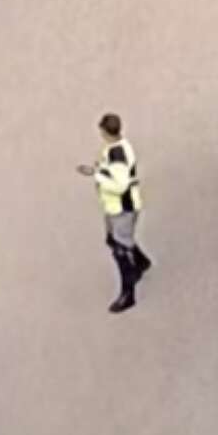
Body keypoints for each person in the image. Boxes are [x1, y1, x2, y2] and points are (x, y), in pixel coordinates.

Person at [77, 113, 152, 313]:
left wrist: (98, 176)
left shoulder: (117, 154)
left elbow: (119, 185)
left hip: (122, 207)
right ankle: (141, 262)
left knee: (120, 249)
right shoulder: (116, 147)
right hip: (114, 206)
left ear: (104, 131)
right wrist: (97, 170)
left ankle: (128, 293)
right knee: (114, 239)